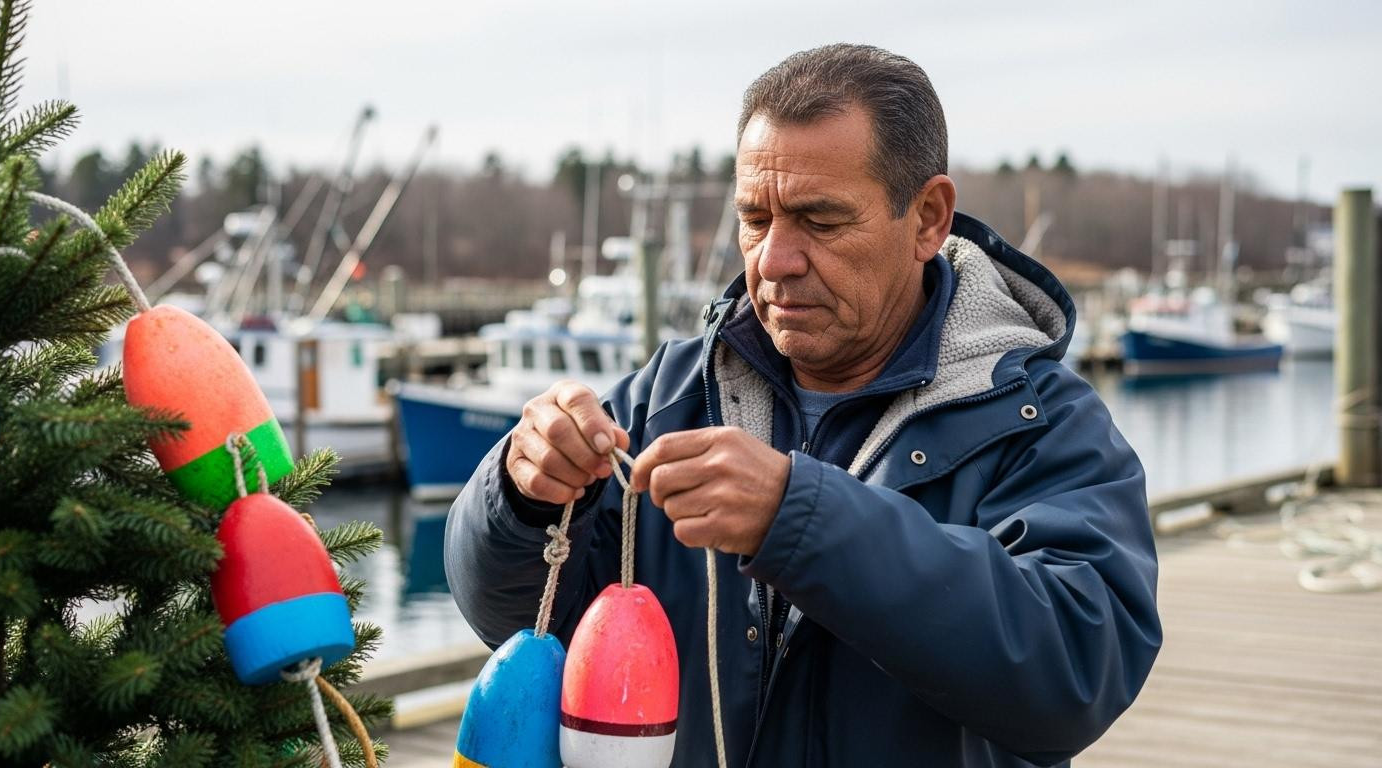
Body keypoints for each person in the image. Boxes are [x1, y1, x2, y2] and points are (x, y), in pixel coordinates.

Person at [446, 43, 1161, 767]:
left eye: (819, 221)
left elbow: (1075, 672)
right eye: (755, 219)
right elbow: (508, 613)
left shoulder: (1039, 421)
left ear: (928, 220)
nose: (774, 260)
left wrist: (799, 518)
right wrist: (519, 492)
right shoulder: (667, 396)